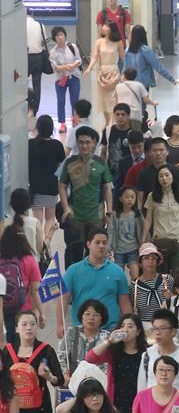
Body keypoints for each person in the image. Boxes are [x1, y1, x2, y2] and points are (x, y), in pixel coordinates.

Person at [59, 226, 131, 336]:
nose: (101, 246)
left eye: (104, 243)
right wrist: (60, 324)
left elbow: (124, 303)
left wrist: (128, 326)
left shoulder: (118, 272)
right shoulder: (73, 271)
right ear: (88, 244)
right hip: (81, 330)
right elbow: (62, 300)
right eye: (97, 242)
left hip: (110, 330)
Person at [58, 128, 114, 265]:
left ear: (94, 143)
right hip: (75, 217)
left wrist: (109, 212)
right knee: (73, 253)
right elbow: (62, 185)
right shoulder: (69, 162)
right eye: (81, 142)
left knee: (95, 253)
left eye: (87, 142)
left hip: (96, 217)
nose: (84, 146)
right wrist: (65, 208)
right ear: (76, 143)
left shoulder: (101, 163)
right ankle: (72, 283)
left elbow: (107, 188)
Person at [28, 116, 66, 246]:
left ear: (38, 128)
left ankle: (37, 243)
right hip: (51, 187)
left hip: (35, 187)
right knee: (50, 218)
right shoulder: (57, 145)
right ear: (52, 129)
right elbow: (62, 168)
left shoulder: (31, 144)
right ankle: (46, 241)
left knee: (36, 219)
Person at [84, 21, 124, 128]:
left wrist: (124, 73)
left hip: (114, 72)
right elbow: (94, 57)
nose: (103, 28)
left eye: (106, 26)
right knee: (103, 101)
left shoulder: (118, 42)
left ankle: (112, 122)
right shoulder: (99, 42)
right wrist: (89, 68)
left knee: (112, 99)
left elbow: (123, 58)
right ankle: (107, 122)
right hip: (102, 73)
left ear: (111, 29)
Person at [124, 25, 178, 92]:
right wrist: (171, 79)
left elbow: (124, 69)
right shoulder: (145, 50)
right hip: (143, 84)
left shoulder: (127, 51)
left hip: (129, 84)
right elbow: (158, 67)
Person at [49, 26, 82, 133]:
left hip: (74, 76)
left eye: (62, 34)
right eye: (57, 35)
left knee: (75, 100)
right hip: (61, 79)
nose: (60, 37)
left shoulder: (72, 46)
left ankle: (75, 119)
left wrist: (72, 66)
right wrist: (64, 67)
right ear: (54, 38)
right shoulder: (53, 52)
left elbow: (79, 60)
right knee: (61, 100)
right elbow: (55, 67)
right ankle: (62, 123)